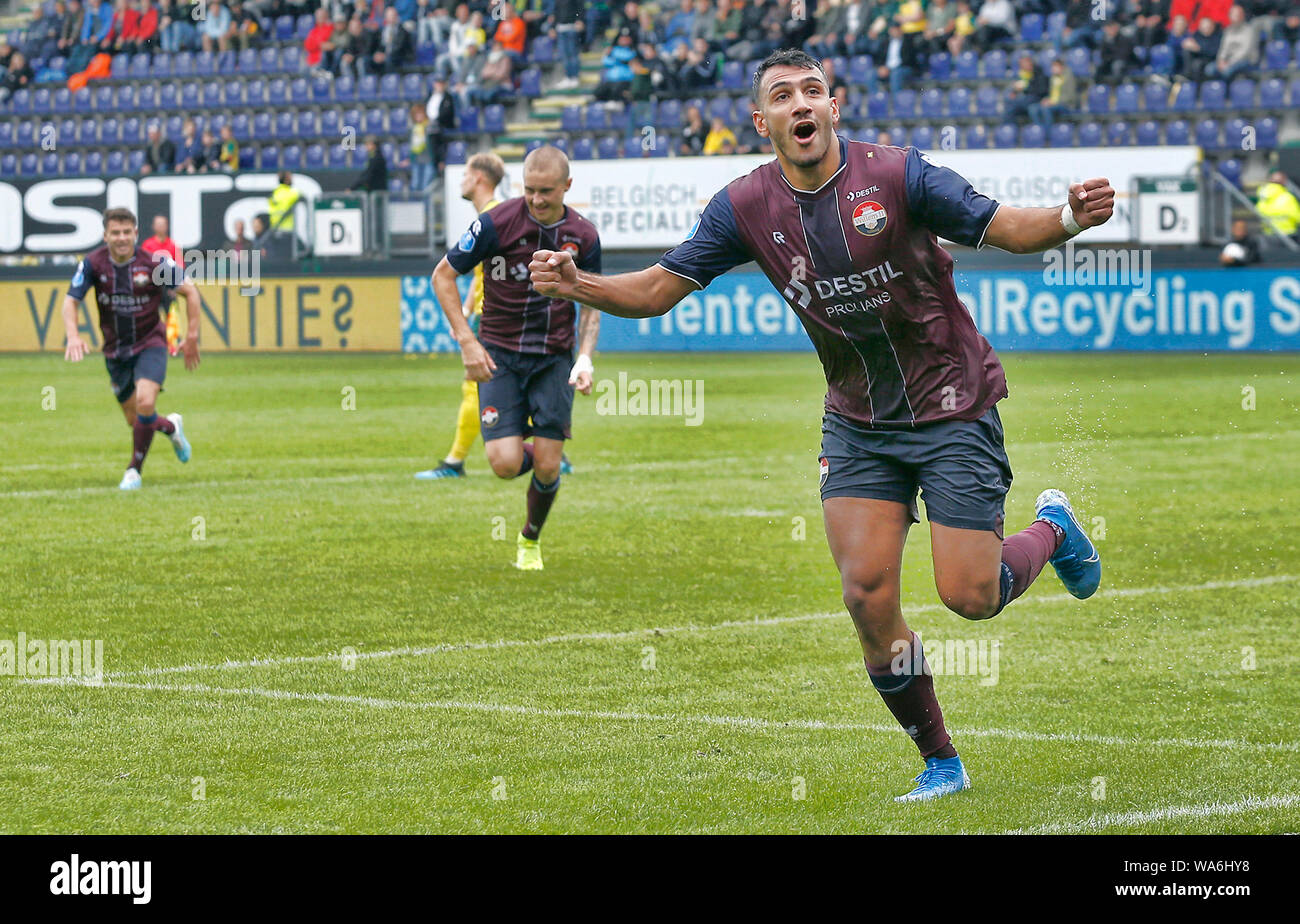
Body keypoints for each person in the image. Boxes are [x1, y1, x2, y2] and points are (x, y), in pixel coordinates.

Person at [528, 49, 1113, 801]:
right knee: (868, 595)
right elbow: (655, 290)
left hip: (952, 405)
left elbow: (1008, 228)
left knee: (970, 594)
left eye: (812, 91)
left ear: (833, 107)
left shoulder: (900, 176)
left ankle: (1055, 527)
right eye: (782, 94)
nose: (800, 104)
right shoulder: (743, 206)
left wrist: (1068, 217)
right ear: (761, 119)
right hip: (859, 422)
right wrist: (582, 284)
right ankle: (941, 761)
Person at [433, 146, 601, 570]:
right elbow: (443, 276)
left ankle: (530, 538)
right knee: (505, 465)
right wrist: (467, 342)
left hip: (552, 358)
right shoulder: (494, 224)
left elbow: (594, 300)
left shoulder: (584, 235)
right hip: (499, 356)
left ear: (567, 186)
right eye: (529, 190)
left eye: (546, 191)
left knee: (546, 467)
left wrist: (585, 357)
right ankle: (542, 449)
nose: (537, 199)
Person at [62, 207, 201, 490]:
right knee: (136, 419)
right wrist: (73, 335)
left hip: (151, 342)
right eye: (115, 233)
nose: (122, 238)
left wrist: (192, 336)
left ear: (136, 234)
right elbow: (70, 301)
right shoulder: (93, 264)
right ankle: (171, 427)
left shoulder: (153, 263)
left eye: (127, 232)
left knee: (146, 403)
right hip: (115, 350)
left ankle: (133, 472)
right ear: (105, 235)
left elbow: (191, 291)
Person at [416, 152, 507, 480]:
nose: (462, 179)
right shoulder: (495, 216)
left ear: (481, 178)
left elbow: (455, 274)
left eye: (466, 174)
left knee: (475, 385)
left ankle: (454, 463)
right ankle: (552, 451)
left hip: (496, 319)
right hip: (488, 315)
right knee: (509, 384)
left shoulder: (493, 218)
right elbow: (484, 274)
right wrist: (466, 311)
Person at [1256, 170, 1300, 240]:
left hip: (1268, 235)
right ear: (1284, 182)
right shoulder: (1287, 197)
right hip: (1288, 236)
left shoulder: (1263, 198)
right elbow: (1298, 217)